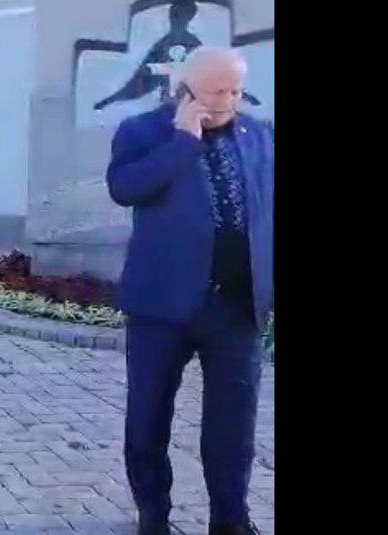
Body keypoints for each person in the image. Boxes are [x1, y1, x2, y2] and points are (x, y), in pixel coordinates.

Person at [106, 47, 273, 535]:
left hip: (237, 307)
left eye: (236, 90)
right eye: (217, 91)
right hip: (161, 306)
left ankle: (230, 519)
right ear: (185, 89)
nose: (228, 100)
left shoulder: (259, 135)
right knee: (147, 420)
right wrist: (183, 141)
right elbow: (125, 188)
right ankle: (153, 515)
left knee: (233, 426)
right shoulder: (143, 131)